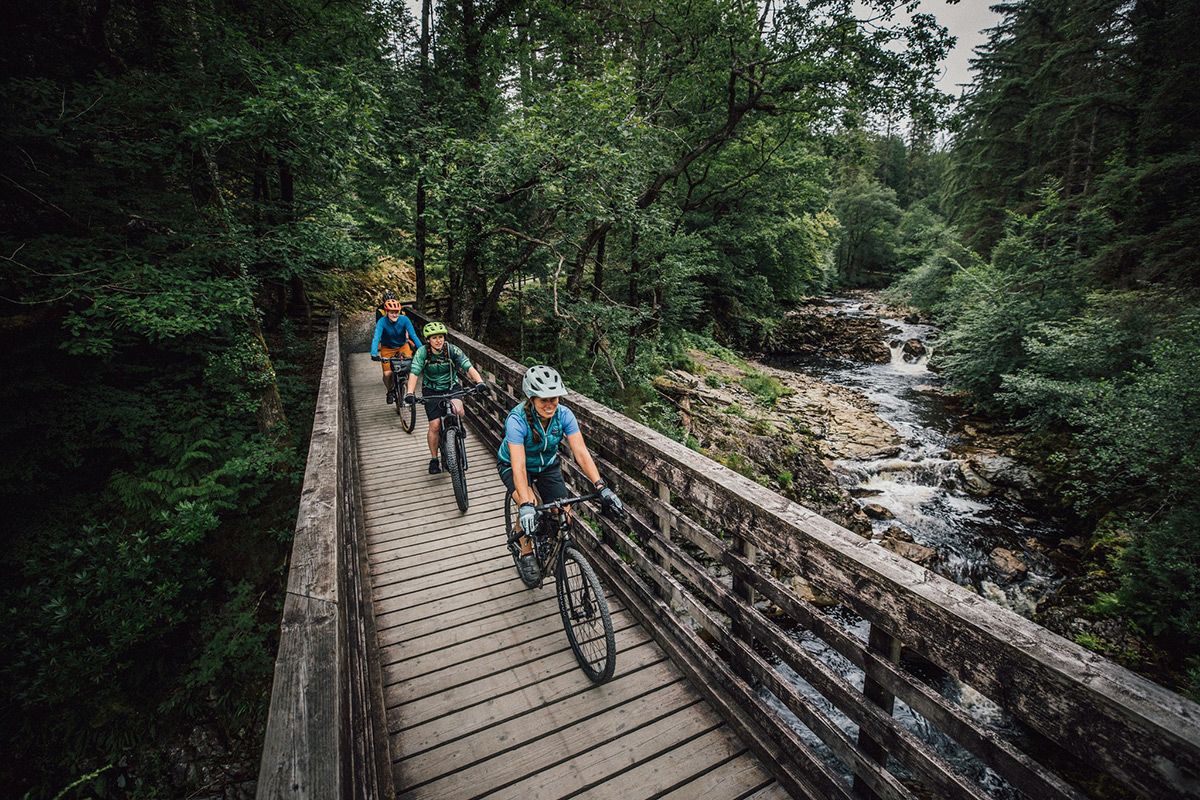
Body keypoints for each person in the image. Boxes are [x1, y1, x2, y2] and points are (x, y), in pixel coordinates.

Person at [497, 365, 623, 584]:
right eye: (543, 400)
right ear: (532, 399)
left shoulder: (564, 415)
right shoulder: (517, 420)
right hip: (514, 465)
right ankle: (526, 552)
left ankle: (547, 541)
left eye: (553, 398)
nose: (550, 405)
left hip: (547, 466)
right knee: (529, 502)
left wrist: (601, 487)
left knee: (564, 509)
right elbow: (518, 463)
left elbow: (581, 452)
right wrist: (526, 504)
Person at [403, 321, 486, 474]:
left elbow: (468, 366)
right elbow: (414, 372)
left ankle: (456, 428)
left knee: (458, 410)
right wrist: (410, 393)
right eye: (434, 338)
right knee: (434, 425)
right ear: (428, 340)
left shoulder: (452, 350)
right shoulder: (422, 352)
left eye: (440, 337)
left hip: (451, 386)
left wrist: (479, 381)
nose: (438, 341)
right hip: (431, 390)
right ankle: (434, 459)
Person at [370, 293, 422, 404]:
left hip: (403, 346)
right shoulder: (382, 322)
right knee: (387, 374)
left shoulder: (404, 320)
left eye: (396, 312)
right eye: (392, 312)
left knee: (409, 369)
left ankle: (409, 393)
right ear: (387, 312)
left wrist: (422, 349)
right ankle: (390, 391)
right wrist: (374, 353)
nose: (394, 314)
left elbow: (413, 335)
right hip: (387, 348)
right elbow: (376, 337)